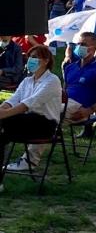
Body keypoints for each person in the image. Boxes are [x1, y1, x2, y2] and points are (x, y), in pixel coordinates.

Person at [9, 32, 96, 171]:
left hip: (81, 108)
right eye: (78, 44)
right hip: (63, 103)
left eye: (83, 44)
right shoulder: (70, 67)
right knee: (44, 111)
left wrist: (90, 110)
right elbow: (61, 92)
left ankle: (29, 160)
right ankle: (18, 141)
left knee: (44, 114)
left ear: (94, 47)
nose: (79, 47)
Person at [0, 46, 63, 190]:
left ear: (46, 61)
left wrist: (3, 115)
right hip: (25, 121)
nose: (31, 60)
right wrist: (2, 109)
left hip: (45, 125)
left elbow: (28, 104)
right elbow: (12, 100)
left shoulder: (52, 80)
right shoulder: (27, 81)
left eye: (35, 57)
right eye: (30, 56)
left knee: (5, 122)